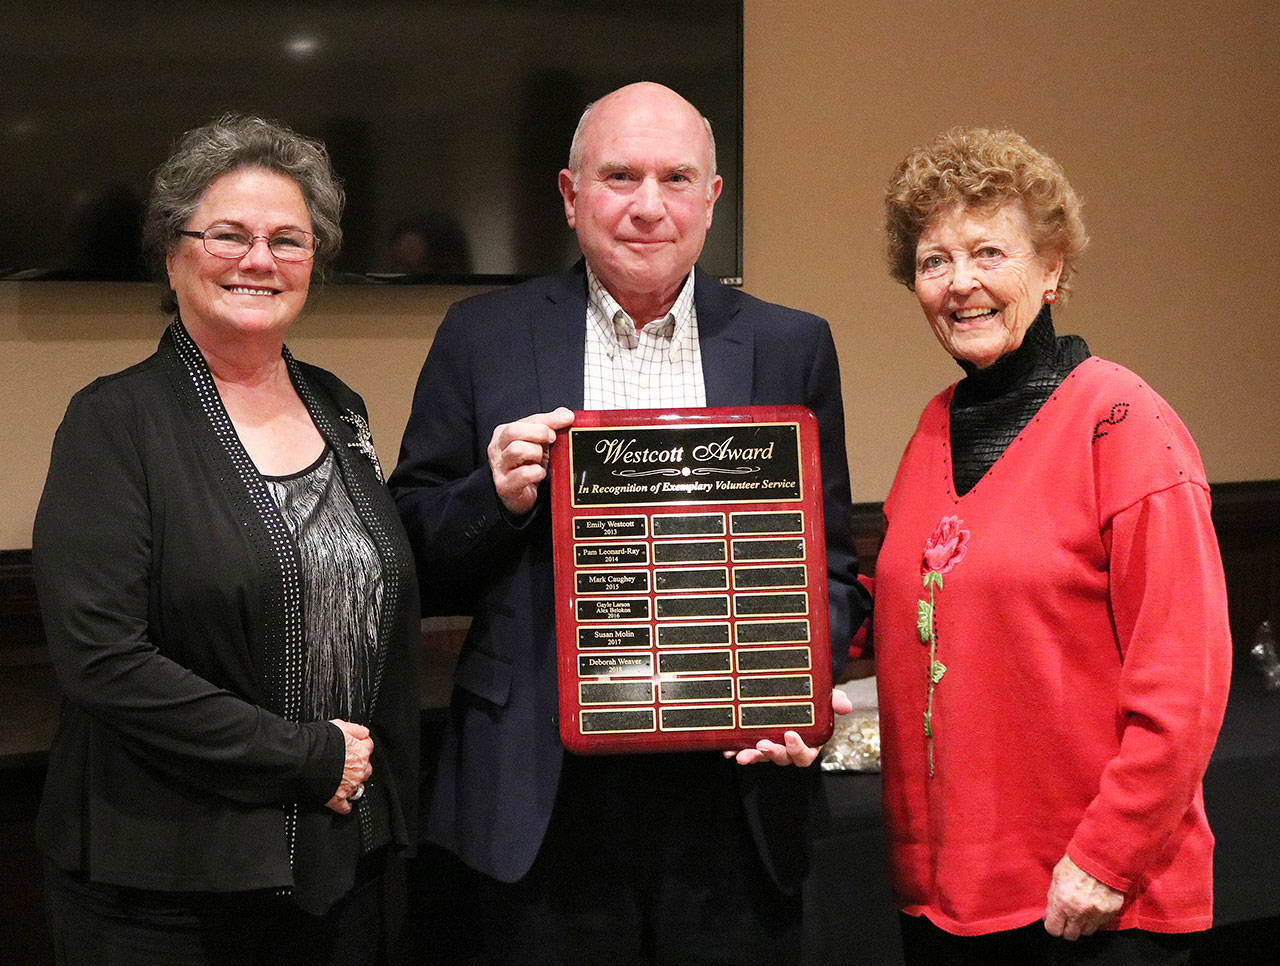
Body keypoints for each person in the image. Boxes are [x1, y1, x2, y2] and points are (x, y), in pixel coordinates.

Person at [390, 82, 869, 964]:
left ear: (711, 200)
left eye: (677, 178)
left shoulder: (791, 344)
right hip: (541, 797)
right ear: (571, 196)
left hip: (731, 792)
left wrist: (801, 689)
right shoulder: (481, 336)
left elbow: (829, 568)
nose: (650, 207)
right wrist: (491, 499)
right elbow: (408, 558)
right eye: (619, 177)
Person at [32, 114, 420, 966]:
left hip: (337, 865)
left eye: (289, 239)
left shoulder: (339, 404)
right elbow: (102, 657)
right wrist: (306, 756)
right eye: (229, 235)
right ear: (174, 254)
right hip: (168, 880)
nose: (260, 260)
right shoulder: (113, 421)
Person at [873, 127, 1232, 965]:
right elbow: (914, 612)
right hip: (944, 895)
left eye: (989, 252)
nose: (961, 284)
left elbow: (1186, 680)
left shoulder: (1125, 423)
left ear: (1053, 268)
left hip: (1091, 903)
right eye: (934, 262)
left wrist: (1107, 859)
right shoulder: (932, 428)